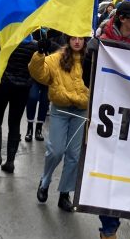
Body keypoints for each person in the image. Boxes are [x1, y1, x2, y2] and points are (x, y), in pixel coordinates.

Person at [82, 1, 130, 239]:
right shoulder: (101, 45)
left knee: (125, 178)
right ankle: (108, 235)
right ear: (121, 19)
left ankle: (111, 231)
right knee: (108, 175)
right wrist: (92, 55)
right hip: (107, 120)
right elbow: (89, 81)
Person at [30, 33, 90, 208]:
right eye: (73, 38)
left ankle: (65, 193)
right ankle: (45, 181)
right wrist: (39, 55)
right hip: (60, 109)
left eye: (81, 38)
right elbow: (40, 74)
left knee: (74, 155)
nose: (77, 41)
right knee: (56, 151)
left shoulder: (91, 58)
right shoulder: (56, 58)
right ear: (68, 40)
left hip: (82, 111)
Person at [0, 36, 37, 173]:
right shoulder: (34, 46)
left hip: (2, 85)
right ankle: (10, 162)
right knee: (14, 124)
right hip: (22, 89)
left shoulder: (4, 41)